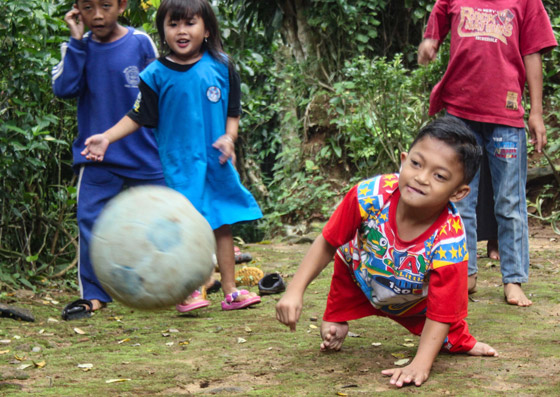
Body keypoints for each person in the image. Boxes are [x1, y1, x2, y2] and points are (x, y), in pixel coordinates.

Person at [276, 117, 498, 388]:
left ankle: (463, 341)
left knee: (449, 333)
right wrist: (295, 290)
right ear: (404, 159)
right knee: (347, 262)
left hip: (415, 298)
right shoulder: (368, 196)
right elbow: (328, 241)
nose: (421, 177)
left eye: (439, 176)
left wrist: (420, 363)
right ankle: (336, 318)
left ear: (459, 192)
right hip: (362, 276)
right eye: (416, 163)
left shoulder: (450, 242)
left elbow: (442, 311)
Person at [81, 0, 263, 312]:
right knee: (183, 228)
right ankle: (190, 290)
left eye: (189, 23)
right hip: (178, 167)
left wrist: (229, 139)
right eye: (173, 24)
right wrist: (106, 138)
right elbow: (137, 116)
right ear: (163, 30)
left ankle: (231, 291)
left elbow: (233, 112)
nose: (181, 31)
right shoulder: (155, 75)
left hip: (215, 162)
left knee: (222, 223)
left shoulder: (221, 65)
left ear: (206, 29)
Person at [417, 0, 557, 306]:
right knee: (459, 198)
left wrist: (536, 112)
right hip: (460, 112)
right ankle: (465, 273)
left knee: (510, 200)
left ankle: (514, 278)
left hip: (506, 117)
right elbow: (437, 22)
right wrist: (431, 42)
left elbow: (532, 54)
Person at [52, 0, 166, 320]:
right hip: (96, 156)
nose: (98, 15)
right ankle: (94, 294)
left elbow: (159, 91)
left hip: (145, 153)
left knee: (167, 217)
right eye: (88, 7)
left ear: (122, 5)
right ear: (76, 10)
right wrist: (76, 42)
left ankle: (183, 280)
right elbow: (64, 89)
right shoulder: (76, 47)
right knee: (90, 223)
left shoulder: (141, 42)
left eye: (106, 5)